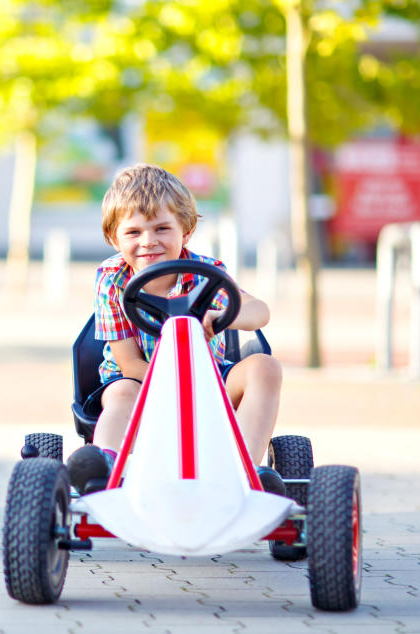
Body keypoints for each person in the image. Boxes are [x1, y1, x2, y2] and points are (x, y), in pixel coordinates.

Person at [67, 163, 284, 495]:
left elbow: (260, 311)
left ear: (185, 230)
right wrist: (177, 390)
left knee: (265, 368)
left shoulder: (207, 274)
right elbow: (128, 363)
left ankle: (243, 474)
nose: (148, 242)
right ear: (114, 238)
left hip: (208, 381)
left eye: (162, 229)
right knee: (121, 393)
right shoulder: (112, 279)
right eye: (133, 232)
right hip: (139, 382)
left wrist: (224, 313)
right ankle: (105, 471)